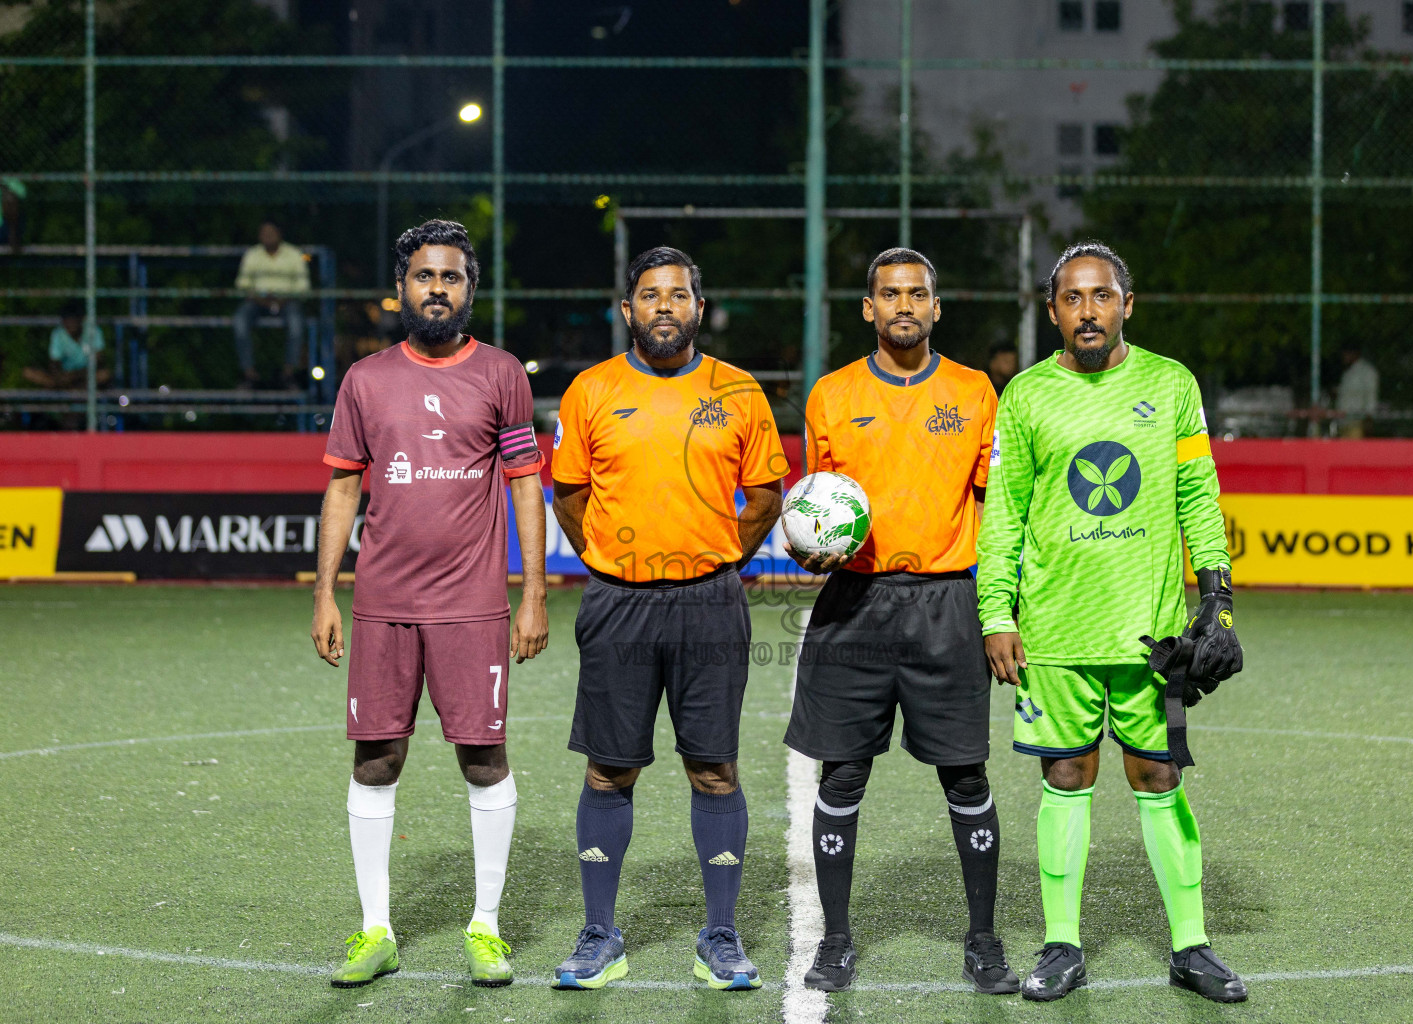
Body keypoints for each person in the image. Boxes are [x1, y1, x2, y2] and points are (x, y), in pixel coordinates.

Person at [977, 241, 1248, 1004]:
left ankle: (1191, 947)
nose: (1087, 310)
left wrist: (1217, 596)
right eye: (1072, 298)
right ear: (1052, 309)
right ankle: (1062, 946)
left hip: (1150, 633)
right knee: (1065, 776)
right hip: (1056, 633)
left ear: (1127, 304)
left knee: (1158, 777)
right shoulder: (1025, 397)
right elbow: (1005, 517)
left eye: (1102, 296)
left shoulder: (1171, 384)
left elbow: (1198, 492)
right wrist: (997, 612)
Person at [310, 219, 550, 989]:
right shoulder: (366, 379)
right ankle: (375, 928)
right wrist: (325, 594)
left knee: (484, 758)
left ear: (469, 290)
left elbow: (523, 485)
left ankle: (486, 927)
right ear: (402, 287)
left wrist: (533, 593)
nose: (437, 289)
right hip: (382, 605)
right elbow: (344, 485)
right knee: (377, 756)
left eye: (450, 277)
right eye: (424, 276)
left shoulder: (502, 373)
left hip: (472, 608)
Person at [549, 246, 786, 991]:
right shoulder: (590, 391)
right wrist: (613, 560)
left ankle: (719, 936)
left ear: (698, 309)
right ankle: (600, 936)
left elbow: (767, 500)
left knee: (714, 770)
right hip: (618, 601)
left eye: (677, 295)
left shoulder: (739, 392)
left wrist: (718, 559)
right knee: (609, 769)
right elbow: (569, 494)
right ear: (627, 311)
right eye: (649, 295)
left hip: (711, 602)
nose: (663, 306)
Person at [783, 248, 1016, 995]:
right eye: (890, 294)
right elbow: (814, 503)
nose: (904, 306)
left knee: (965, 772)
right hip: (854, 603)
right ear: (868, 308)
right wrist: (809, 549)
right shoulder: (830, 395)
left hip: (947, 602)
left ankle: (983, 941)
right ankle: (838, 943)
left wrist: (1000, 609)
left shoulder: (976, 391)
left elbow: (997, 508)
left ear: (937, 307)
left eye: (918, 293)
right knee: (843, 771)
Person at [233, 220, 310, 388]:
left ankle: (289, 374)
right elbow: (242, 284)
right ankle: (248, 374)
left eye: (271, 232)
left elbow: (303, 287)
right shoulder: (252, 254)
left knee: (297, 324)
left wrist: (284, 297)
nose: (267, 236)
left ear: (279, 233)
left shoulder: (293, 254)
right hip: (257, 301)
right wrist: (259, 297)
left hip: (287, 301)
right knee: (239, 320)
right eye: (264, 232)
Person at [22, 302, 108, 388]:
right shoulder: (58, 334)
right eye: (67, 321)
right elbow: (54, 362)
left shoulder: (93, 331)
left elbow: (98, 361)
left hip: (86, 375)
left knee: (103, 375)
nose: (70, 325)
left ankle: (73, 391)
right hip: (65, 376)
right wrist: (60, 375)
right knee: (29, 372)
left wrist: (76, 374)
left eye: (73, 321)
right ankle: (72, 391)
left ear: (80, 320)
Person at [1335, 345, 1379, 438]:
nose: (1343, 357)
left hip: (1357, 421)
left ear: (1354, 354)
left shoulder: (1367, 371)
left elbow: (1371, 396)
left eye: (1345, 354)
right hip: (1343, 421)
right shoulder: (1347, 372)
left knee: (1355, 450)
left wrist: (1368, 418)